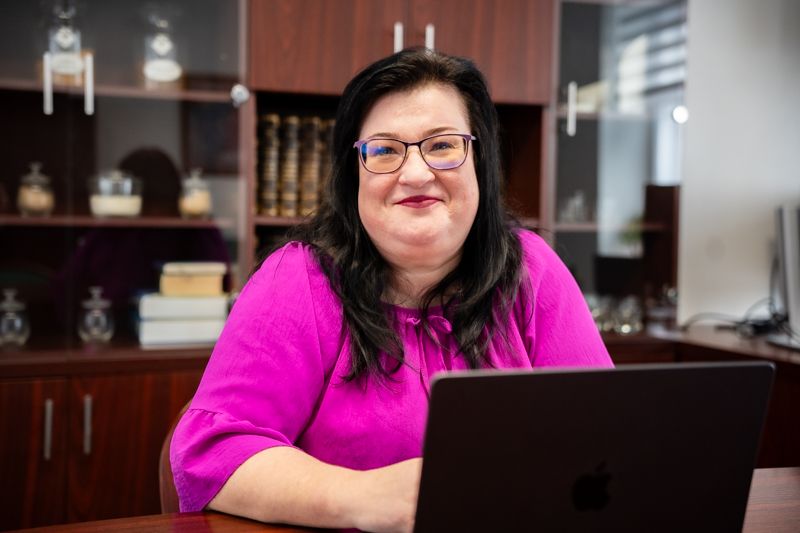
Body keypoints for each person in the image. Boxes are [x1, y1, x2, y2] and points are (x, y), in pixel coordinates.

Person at [170, 48, 612, 533]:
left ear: (479, 160)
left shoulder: (532, 269)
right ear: (353, 173)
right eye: (384, 150)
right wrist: (361, 498)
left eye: (442, 145)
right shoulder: (296, 280)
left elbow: (605, 439)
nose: (417, 173)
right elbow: (211, 453)